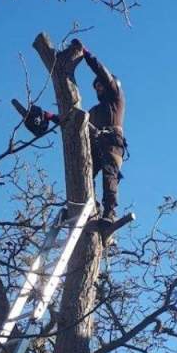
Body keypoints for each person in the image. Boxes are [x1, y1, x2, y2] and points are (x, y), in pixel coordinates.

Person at [72, 39, 126, 222]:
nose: (99, 89)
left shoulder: (116, 99)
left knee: (109, 175)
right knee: (85, 173)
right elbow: (76, 120)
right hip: (96, 145)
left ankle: (110, 213)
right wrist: (48, 116)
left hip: (112, 143)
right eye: (96, 88)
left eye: (101, 85)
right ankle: (92, 206)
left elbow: (101, 71)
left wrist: (86, 53)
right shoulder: (95, 111)